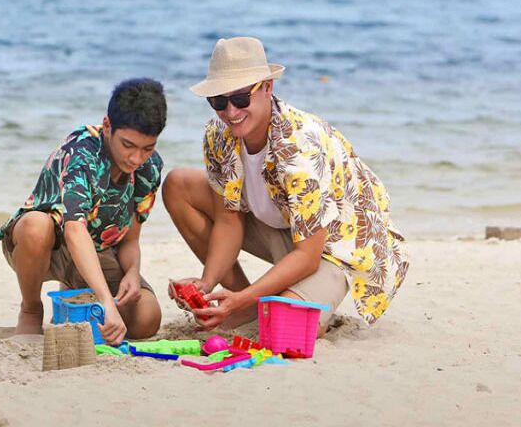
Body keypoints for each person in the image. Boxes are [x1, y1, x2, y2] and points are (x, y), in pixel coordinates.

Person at [163, 37, 410, 333]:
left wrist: (240, 299)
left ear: (267, 87)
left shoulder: (298, 149)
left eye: (241, 98)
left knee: (284, 331)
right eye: (219, 101)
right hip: (286, 230)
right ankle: (246, 305)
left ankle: (250, 302)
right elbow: (229, 221)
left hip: (333, 249)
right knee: (178, 184)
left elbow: (308, 256)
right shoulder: (220, 134)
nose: (230, 112)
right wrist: (206, 283)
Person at [0, 78, 166, 345]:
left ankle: (73, 299)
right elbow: (74, 230)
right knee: (37, 227)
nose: (136, 159)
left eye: (147, 148)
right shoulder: (81, 151)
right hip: (44, 245)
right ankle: (31, 309)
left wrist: (132, 272)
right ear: (107, 125)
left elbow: (131, 239)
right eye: (128, 145)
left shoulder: (149, 167)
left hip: (97, 252)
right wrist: (107, 302)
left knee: (147, 317)